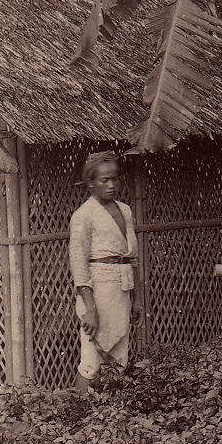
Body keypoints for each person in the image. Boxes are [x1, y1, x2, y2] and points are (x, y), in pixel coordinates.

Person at [68, 151, 139, 394]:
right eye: (104, 180)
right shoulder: (83, 216)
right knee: (91, 358)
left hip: (122, 290)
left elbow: (131, 258)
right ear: (91, 183)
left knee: (119, 355)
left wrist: (136, 299)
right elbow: (79, 264)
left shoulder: (126, 211)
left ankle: (111, 416)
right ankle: (77, 413)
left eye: (114, 179)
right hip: (97, 292)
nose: (111, 185)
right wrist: (90, 308)